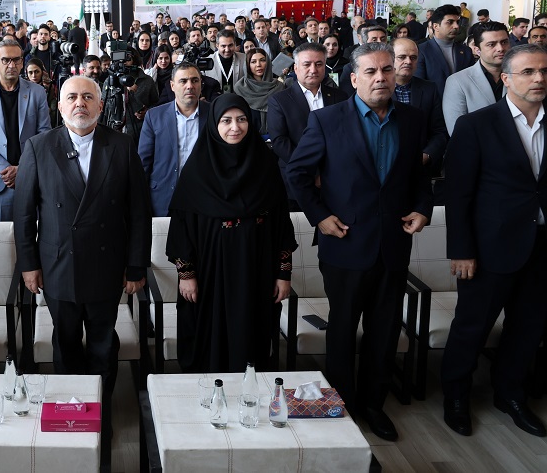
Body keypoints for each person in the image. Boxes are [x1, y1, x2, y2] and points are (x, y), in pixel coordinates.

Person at [286, 43, 433, 442]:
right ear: (353, 79)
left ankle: (373, 404)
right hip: (345, 243)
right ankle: (342, 405)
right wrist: (320, 216)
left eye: (387, 70)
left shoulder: (413, 119)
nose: (381, 77)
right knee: (343, 330)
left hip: (394, 244)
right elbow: (297, 174)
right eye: (370, 71)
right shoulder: (327, 120)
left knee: (384, 332)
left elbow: (418, 176)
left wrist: (423, 208)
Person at [14, 75, 150, 432]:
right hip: (58, 264)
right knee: (66, 342)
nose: (80, 103)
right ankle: (72, 412)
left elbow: (138, 213)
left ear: (100, 105)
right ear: (59, 106)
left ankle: (101, 410)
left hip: (108, 264)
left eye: (88, 97)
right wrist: (28, 265)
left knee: (104, 344)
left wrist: (136, 265)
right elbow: (24, 214)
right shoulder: (38, 147)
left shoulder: (121, 145)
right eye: (72, 97)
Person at [442, 44, 547, 438]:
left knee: (529, 326)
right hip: (489, 248)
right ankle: (456, 397)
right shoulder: (477, 125)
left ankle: (511, 395)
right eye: (528, 72)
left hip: (541, 244)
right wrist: (461, 250)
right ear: (506, 78)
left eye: (544, 71)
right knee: (472, 326)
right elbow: (458, 194)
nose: (539, 78)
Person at [166, 94, 295, 372]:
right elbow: (181, 229)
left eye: (241, 119)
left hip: (256, 270)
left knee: (251, 334)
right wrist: (186, 275)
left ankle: (249, 390)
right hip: (208, 272)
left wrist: (283, 274)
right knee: (208, 336)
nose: (235, 127)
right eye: (226, 121)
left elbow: (282, 225)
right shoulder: (197, 170)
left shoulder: (266, 166)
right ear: (214, 125)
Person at [0, 39, 51, 221]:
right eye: (6, 60)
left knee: (34, 232)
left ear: (22, 62)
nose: (12, 65)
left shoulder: (37, 92)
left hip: (31, 176)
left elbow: (44, 134)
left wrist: (22, 168)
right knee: (1, 236)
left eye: (16, 60)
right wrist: (6, 169)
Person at [267, 43, 348, 209]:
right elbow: (280, 141)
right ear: (296, 68)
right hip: (297, 177)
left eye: (319, 64)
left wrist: (328, 172)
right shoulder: (279, 100)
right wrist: (312, 172)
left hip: (336, 178)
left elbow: (346, 137)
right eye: (307, 64)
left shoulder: (340, 97)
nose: (313, 70)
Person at [138, 62, 210, 216]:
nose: (190, 86)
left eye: (195, 80)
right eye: (183, 81)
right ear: (172, 86)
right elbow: (144, 163)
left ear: (201, 84)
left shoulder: (214, 114)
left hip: (205, 198)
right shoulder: (154, 116)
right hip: (163, 199)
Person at [390, 39, 448, 172]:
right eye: (402, 57)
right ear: (390, 58)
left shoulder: (429, 89)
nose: (408, 61)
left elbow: (439, 131)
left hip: (421, 167)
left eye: (413, 57)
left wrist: (426, 155)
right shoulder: (379, 88)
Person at [443, 22, 511, 134]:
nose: (500, 48)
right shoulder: (458, 82)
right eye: (491, 44)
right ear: (477, 50)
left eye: (504, 42)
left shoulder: (520, 76)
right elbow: (457, 131)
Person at [416, 5, 472, 96]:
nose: (456, 26)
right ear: (436, 26)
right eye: (450, 22)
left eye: (457, 22)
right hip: (434, 103)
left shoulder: (466, 51)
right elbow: (419, 85)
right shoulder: (421, 51)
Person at [235, 48, 283, 136]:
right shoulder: (240, 88)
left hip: (277, 137)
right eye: (253, 62)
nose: (258, 65)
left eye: (262, 60)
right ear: (247, 65)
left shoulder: (279, 87)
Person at [26, 57, 59, 127]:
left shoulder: (49, 86)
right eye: (30, 72)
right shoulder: (23, 87)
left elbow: (52, 105)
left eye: (36, 72)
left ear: (42, 72)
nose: (34, 75)